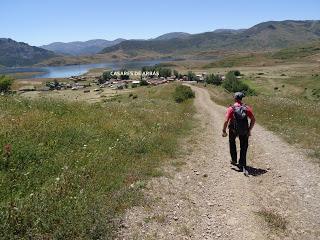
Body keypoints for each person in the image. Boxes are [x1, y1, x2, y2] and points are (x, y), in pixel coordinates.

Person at [222, 92, 255, 176]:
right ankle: (242, 162)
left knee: (232, 143)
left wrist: (224, 130)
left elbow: (226, 121)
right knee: (244, 146)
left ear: (235, 98)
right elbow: (253, 119)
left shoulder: (231, 108)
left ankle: (234, 160)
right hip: (244, 130)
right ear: (241, 98)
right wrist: (249, 129)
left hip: (233, 129)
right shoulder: (246, 108)